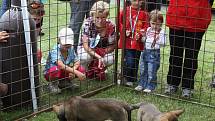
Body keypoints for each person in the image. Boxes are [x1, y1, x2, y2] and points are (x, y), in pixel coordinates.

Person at [165, 0, 213, 97]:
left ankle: (187, 87)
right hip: (176, 16)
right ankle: (172, 83)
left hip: (197, 18)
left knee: (191, 56)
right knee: (175, 54)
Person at [77, 1, 115, 81]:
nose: (100, 20)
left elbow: (112, 45)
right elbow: (85, 46)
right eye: (97, 17)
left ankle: (101, 69)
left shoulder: (111, 25)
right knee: (85, 57)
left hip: (103, 51)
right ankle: (85, 69)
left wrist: (102, 52)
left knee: (110, 59)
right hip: (87, 50)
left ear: (107, 16)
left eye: (103, 17)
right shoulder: (87, 23)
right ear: (93, 15)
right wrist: (98, 57)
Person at [44, 28, 86, 93]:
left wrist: (73, 71)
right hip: (52, 72)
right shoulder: (55, 50)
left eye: (69, 42)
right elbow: (61, 66)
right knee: (56, 69)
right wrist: (76, 72)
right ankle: (53, 84)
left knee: (81, 69)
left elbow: (77, 61)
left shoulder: (71, 48)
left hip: (64, 71)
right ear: (59, 40)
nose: (67, 45)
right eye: (65, 42)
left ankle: (64, 82)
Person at [118, 0, 149, 86]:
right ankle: (124, 76)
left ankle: (132, 78)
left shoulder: (144, 14)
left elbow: (146, 26)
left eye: (139, 1)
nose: (137, 2)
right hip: (127, 41)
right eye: (135, 0)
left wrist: (140, 34)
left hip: (137, 42)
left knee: (136, 60)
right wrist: (124, 31)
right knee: (129, 61)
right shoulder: (124, 11)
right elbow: (119, 22)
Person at [135, 10, 166, 93]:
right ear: (150, 22)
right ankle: (142, 84)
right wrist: (140, 37)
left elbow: (163, 44)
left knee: (151, 70)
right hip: (145, 51)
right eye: (153, 23)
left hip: (154, 53)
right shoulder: (148, 29)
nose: (155, 26)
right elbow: (145, 40)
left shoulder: (161, 32)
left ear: (161, 23)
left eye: (158, 24)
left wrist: (158, 40)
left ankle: (151, 86)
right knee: (143, 68)